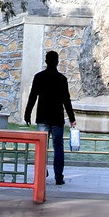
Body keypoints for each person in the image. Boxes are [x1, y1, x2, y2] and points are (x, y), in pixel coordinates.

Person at [24, 50, 76, 186]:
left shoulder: (39, 77)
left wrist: (27, 113)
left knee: (41, 148)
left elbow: (32, 96)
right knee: (58, 148)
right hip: (57, 118)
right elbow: (66, 100)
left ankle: (42, 172)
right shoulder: (62, 79)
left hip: (42, 117)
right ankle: (59, 176)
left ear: (46, 61)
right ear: (57, 62)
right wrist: (72, 118)